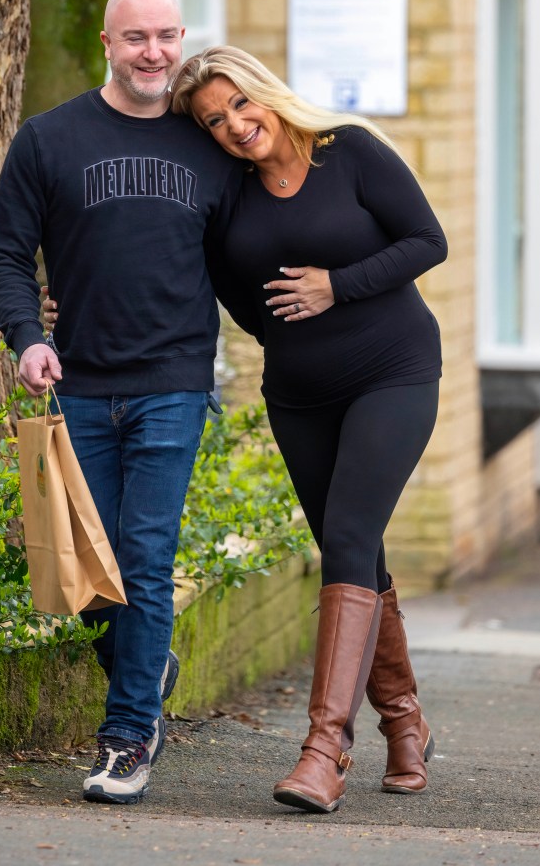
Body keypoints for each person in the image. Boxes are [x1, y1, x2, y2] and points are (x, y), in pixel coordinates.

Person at [167, 45, 448, 814]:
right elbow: (236, 297)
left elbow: (427, 241)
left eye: (238, 106)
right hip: (298, 394)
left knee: (351, 536)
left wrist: (336, 287)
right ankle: (405, 723)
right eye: (213, 120)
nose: (233, 125)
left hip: (392, 372)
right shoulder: (228, 194)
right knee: (353, 547)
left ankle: (325, 748)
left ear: (265, 94)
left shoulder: (347, 152)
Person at [0, 0, 243, 806]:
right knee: (92, 576)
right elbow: (4, 252)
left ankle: (128, 735)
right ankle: (146, 661)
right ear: (107, 41)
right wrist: (28, 335)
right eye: (138, 38)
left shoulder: (208, 146)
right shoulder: (48, 139)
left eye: (167, 36)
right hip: (82, 386)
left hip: (172, 382)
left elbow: (250, 246)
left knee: (144, 559)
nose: (155, 53)